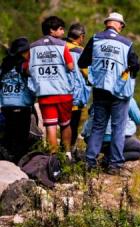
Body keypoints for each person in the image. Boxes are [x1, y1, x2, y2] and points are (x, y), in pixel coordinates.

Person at [78, 12, 140, 175]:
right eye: (122, 25)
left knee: (98, 126)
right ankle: (114, 166)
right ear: (118, 25)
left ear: (107, 23)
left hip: (99, 91)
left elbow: (82, 62)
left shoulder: (96, 39)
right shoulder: (126, 44)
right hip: (118, 93)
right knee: (118, 129)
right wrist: (125, 73)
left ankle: (89, 163)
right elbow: (135, 66)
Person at [26, 16, 75, 154]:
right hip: (63, 92)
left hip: (44, 93)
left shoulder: (33, 47)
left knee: (50, 126)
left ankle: (52, 159)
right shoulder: (62, 45)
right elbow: (71, 66)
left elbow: (27, 69)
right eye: (60, 29)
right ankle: (67, 155)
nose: (63, 32)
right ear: (52, 30)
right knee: (65, 124)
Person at [0, 38, 36, 162]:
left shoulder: (4, 65)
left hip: (6, 105)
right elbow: (32, 85)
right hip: (21, 106)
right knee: (21, 139)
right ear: (24, 51)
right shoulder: (24, 66)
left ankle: (6, 161)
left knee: (9, 135)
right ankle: (18, 165)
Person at [81, 97, 140, 165]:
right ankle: (108, 161)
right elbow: (139, 119)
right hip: (112, 139)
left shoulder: (100, 93)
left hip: (91, 139)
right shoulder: (126, 97)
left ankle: (90, 158)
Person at [65, 23, 90, 152]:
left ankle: (57, 152)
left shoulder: (60, 47)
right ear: (81, 37)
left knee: (62, 124)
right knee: (73, 125)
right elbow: (87, 73)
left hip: (60, 93)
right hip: (76, 95)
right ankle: (69, 152)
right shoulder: (81, 52)